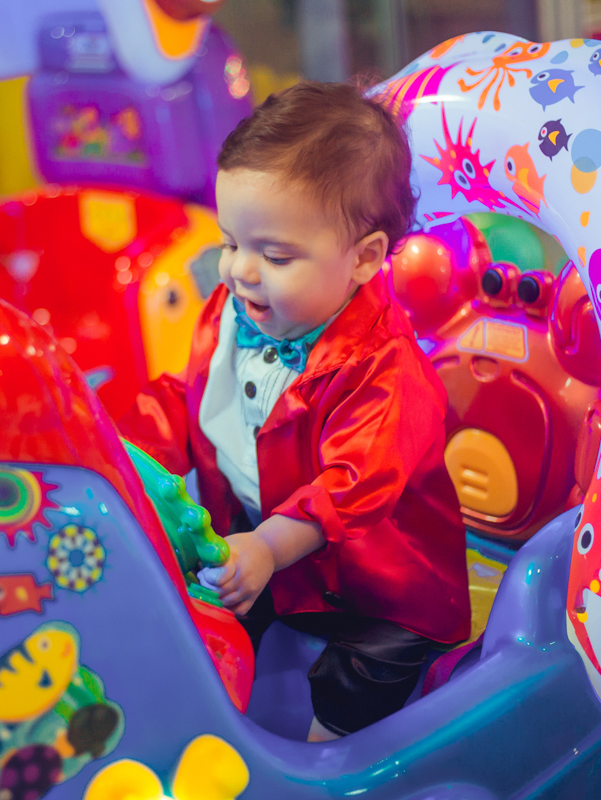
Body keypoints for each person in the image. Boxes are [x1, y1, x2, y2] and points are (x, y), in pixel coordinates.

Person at [117, 81, 470, 741]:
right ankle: (200, 738)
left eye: (274, 256)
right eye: (230, 242)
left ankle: (327, 764)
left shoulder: (389, 374)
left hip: (378, 589)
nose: (240, 270)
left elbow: (349, 489)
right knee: (187, 621)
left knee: (358, 680)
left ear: (364, 259)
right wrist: (122, 445)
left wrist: (269, 548)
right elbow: (191, 399)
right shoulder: (235, 312)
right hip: (257, 552)